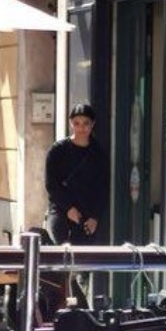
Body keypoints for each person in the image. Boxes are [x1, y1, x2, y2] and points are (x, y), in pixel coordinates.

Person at [45, 102, 109, 245]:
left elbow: (103, 188)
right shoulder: (58, 150)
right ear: (71, 124)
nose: (81, 128)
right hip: (61, 211)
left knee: (84, 260)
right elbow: (51, 185)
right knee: (61, 256)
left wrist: (94, 217)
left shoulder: (98, 153)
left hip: (87, 217)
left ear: (92, 124)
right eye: (77, 123)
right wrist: (68, 208)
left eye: (86, 123)